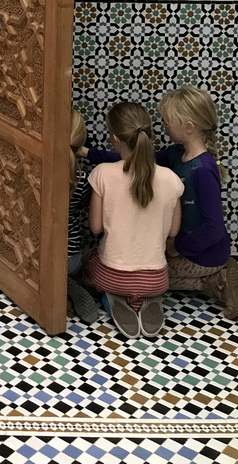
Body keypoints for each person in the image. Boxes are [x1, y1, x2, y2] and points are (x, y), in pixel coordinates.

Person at [84, 103, 183, 338]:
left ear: (114, 138)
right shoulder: (171, 178)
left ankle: (114, 297)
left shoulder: (102, 173)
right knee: (146, 282)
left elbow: (95, 228)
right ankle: (146, 298)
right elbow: (174, 230)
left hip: (111, 275)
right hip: (157, 279)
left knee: (88, 258)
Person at [157, 86, 238, 319]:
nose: (164, 125)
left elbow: (214, 228)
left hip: (204, 254)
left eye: (168, 121)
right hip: (191, 249)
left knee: (150, 277)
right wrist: (86, 152)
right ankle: (216, 275)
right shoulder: (175, 154)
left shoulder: (203, 170)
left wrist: (176, 248)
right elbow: (139, 159)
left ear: (188, 127)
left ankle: (217, 280)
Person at [66, 110, 98, 323]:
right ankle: (66, 283)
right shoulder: (83, 180)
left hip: (34, 258)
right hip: (71, 259)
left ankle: (62, 288)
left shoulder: (35, 170)